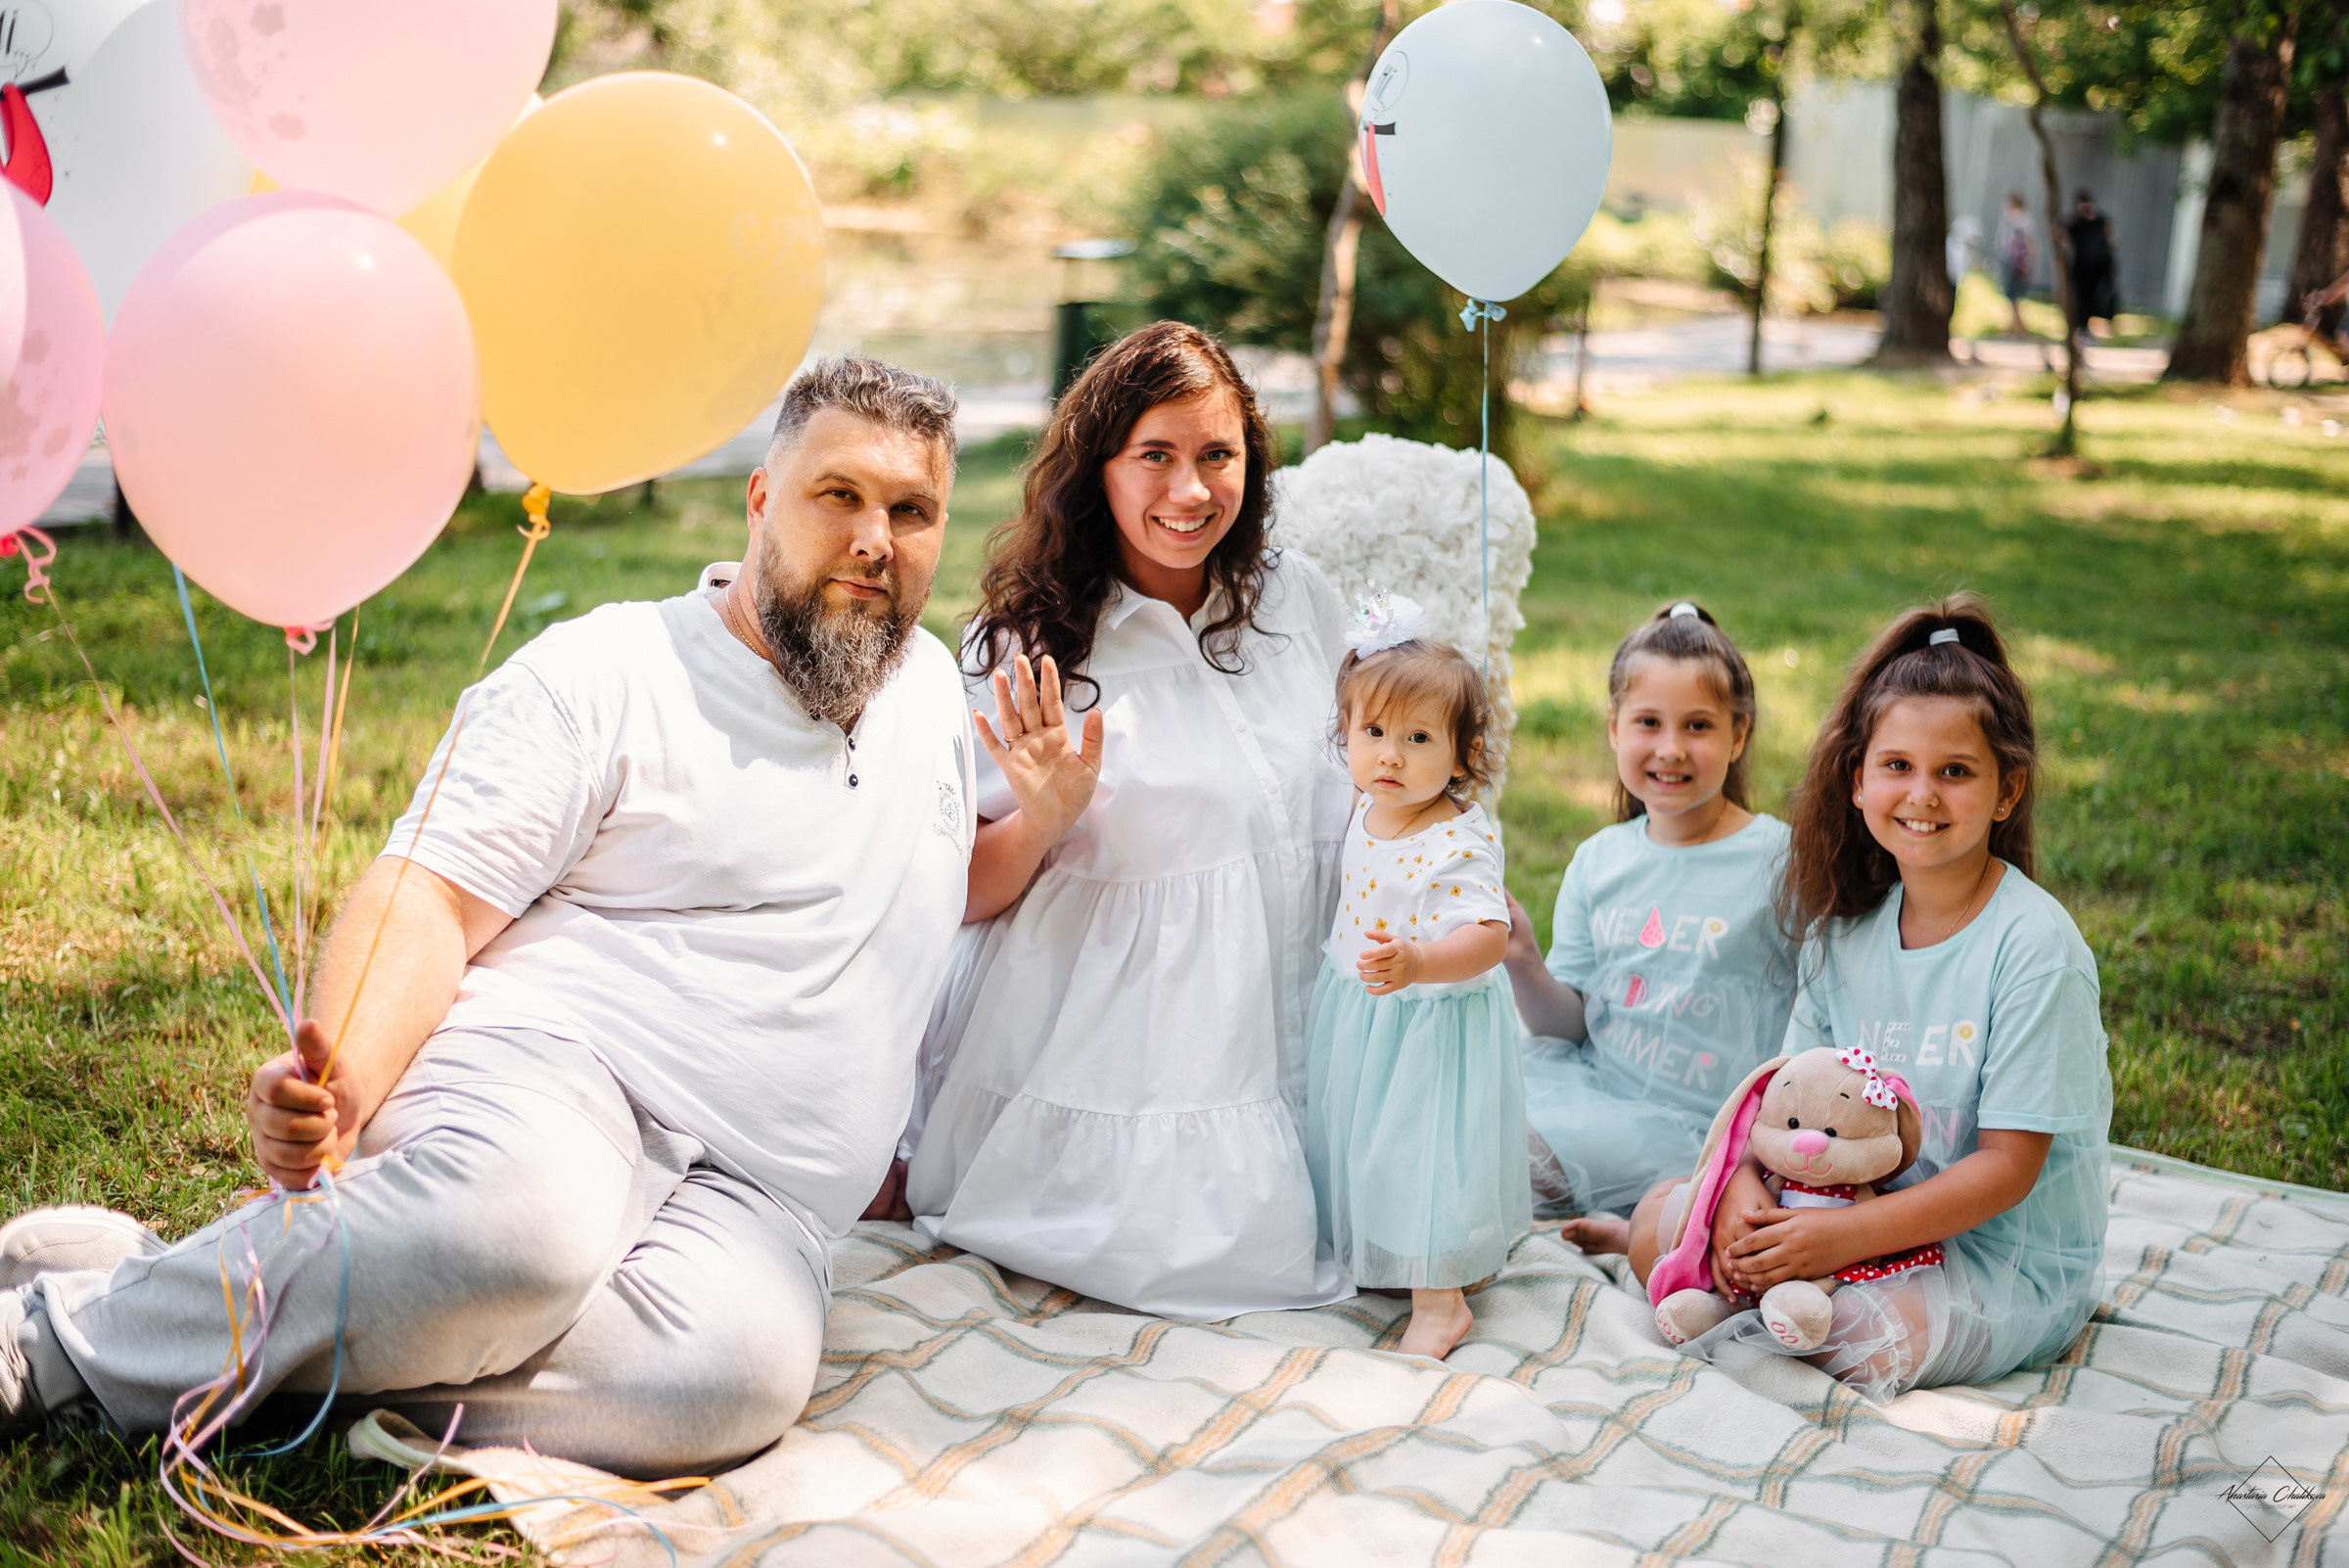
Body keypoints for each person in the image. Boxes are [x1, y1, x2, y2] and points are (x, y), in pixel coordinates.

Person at [0, 356, 1100, 1476]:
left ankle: (189, 1294)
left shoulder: (923, 689)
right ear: (762, 499)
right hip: (567, 1076)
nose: (875, 537)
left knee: (726, 1387)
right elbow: (428, 890)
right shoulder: (609, 671)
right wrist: (345, 1092)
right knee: (514, 1243)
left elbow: (933, 885)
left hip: (762, 1195)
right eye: (840, 496)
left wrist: (1045, 818)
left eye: (911, 511)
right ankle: (43, 1346)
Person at [902, 321, 1357, 1321]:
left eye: (1217, 457)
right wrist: (1043, 816)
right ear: (1097, 470)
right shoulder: (1030, 643)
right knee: (1221, 1255)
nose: (1191, 492)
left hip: (1314, 1023)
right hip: (1139, 1058)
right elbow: (964, 887)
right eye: (1155, 456)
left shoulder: (1299, 601)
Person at [1607, 595, 2110, 1403]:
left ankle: (1744, 1296)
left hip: (1988, 1254)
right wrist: (1740, 1196)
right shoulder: (1843, 933)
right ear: (1857, 780)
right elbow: (1781, 1099)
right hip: (1837, 1213)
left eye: (1956, 772)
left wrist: (1836, 1240)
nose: (1922, 795)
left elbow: (2009, 1169)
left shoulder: (2034, 949)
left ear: (2007, 791)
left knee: (1857, 1342)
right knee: (1655, 1221)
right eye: (1898, 767)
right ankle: (1739, 1272)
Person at [1502, 603, 1793, 1229]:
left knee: (1499, 1158)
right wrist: (1524, 959)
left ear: (1738, 735)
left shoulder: (1779, 860)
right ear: (1613, 727)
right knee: (1460, 1106)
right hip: (1593, 1087)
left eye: (1697, 726)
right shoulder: (1600, 859)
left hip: (1700, 1129)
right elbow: (1568, 1029)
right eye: (1648, 723)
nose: (1670, 749)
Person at [1304, 597, 1522, 1360]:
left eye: (1418, 739)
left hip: (1432, 1022)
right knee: (1366, 1141)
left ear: (1463, 757)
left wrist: (1423, 961)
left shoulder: (1456, 838)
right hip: (1367, 1010)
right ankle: (1387, 1254)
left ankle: (1441, 1300)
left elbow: (1490, 937)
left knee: (1422, 1153)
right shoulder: (1368, 807)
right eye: (1373, 733)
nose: (1389, 756)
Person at [2063, 189, 2119, 342]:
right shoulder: (2075, 222)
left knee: (2100, 297)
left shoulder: (2100, 220)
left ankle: (2097, 325)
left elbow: (2111, 238)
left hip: (2100, 265)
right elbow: (2065, 239)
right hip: (2082, 266)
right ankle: (2083, 328)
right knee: (2083, 298)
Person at [1995, 193, 2037, 339]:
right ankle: (2016, 325)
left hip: (2012, 260)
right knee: (2016, 294)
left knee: (2012, 293)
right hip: (2022, 261)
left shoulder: (2009, 219)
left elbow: (2007, 242)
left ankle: (2016, 326)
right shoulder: (2027, 219)